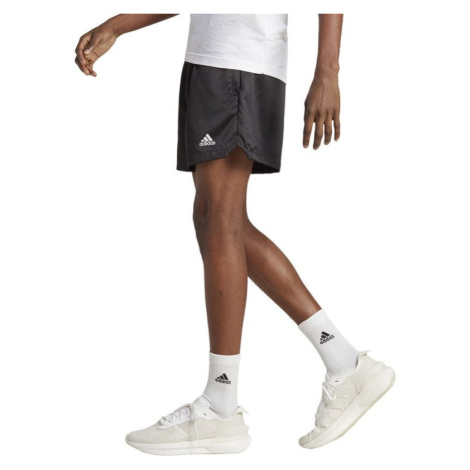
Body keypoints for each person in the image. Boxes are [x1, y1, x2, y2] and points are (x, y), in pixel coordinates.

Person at [75, 13, 395, 455]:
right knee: (217, 221)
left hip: (240, 61)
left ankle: (221, 406)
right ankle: (343, 362)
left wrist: (328, 69)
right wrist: (120, 24)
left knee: (219, 221)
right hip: (212, 60)